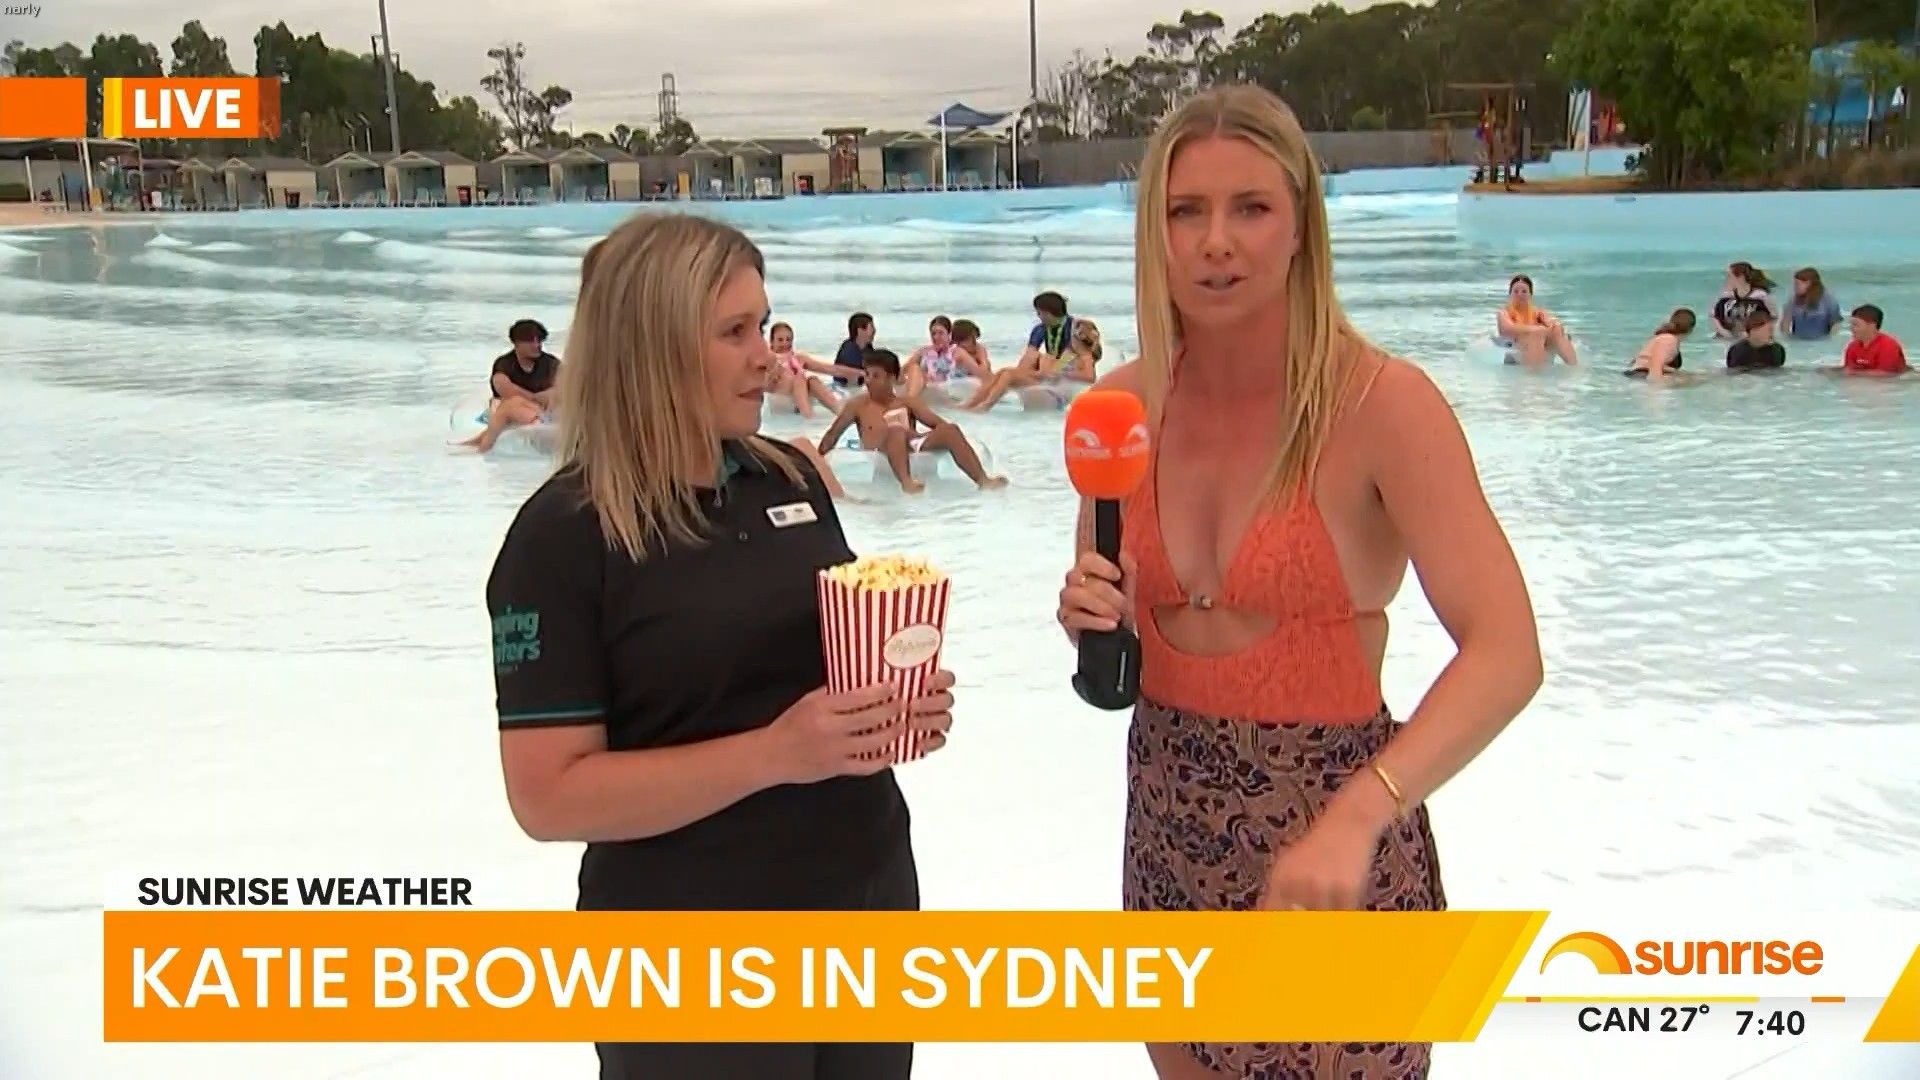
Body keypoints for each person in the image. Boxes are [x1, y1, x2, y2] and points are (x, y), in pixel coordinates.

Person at [1054, 85, 1541, 1080]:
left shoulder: (1382, 407)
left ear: (1300, 227)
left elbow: (1508, 654)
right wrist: (1092, 621)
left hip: (1334, 851)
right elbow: (1127, 639)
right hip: (1169, 834)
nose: (1216, 242)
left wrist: (1359, 816)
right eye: (1187, 211)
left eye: (1251, 208)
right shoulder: (1118, 409)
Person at [484, 214, 953, 1080]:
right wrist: (776, 754)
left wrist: (894, 701)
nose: (767, 357)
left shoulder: (791, 477)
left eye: (762, 324)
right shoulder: (565, 535)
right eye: (733, 332)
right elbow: (546, 798)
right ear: (653, 347)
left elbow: (826, 671)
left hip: (868, 896)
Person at [817, 349, 1007, 495]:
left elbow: (939, 425)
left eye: (876, 376)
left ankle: (983, 480)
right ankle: (906, 482)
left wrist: (917, 435)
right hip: (880, 450)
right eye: (867, 375)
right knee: (895, 430)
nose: (869, 381)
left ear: (892, 379)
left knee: (950, 429)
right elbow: (833, 435)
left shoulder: (907, 402)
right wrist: (816, 463)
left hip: (909, 445)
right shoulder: (858, 405)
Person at [957, 317, 1101, 412]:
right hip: (1049, 380)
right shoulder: (1068, 354)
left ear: (1077, 339)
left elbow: (1090, 377)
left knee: (1008, 375)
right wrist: (1047, 365)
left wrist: (1064, 374)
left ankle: (985, 406)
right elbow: (1054, 370)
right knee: (1004, 371)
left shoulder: (1085, 357)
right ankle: (972, 403)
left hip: (1055, 387)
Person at [459, 319, 560, 452]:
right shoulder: (504, 364)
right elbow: (506, 391)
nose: (537, 345)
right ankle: (480, 444)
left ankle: (480, 444)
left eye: (539, 340)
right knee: (512, 403)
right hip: (513, 408)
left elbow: (563, 389)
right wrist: (539, 397)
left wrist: (546, 396)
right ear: (516, 343)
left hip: (540, 410)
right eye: (530, 341)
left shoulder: (551, 363)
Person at [766, 321, 855, 418]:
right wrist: (774, 373)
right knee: (799, 378)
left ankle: (843, 415)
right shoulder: (767, 360)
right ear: (772, 341)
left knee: (813, 380)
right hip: (783, 404)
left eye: (788, 339)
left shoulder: (798, 358)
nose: (785, 343)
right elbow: (763, 386)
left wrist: (859, 373)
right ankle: (808, 418)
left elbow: (830, 369)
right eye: (780, 340)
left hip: (801, 402)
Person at [903, 315, 992, 404]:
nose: (936, 337)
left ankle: (910, 402)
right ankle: (910, 401)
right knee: (914, 368)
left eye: (941, 333)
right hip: (926, 386)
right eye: (933, 333)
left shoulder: (958, 352)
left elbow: (982, 375)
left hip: (945, 390)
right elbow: (903, 371)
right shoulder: (923, 351)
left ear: (949, 334)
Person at [1494, 274, 1577, 365]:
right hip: (1517, 350)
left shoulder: (1538, 312)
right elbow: (1507, 329)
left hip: (1540, 348)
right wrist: (1534, 330)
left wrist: (1553, 327)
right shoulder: (1504, 313)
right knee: (1537, 333)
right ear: (1510, 294)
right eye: (1516, 291)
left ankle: (1574, 367)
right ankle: (1535, 373)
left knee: (1556, 328)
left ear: (1530, 294)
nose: (1520, 294)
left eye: (1524, 291)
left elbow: (1551, 323)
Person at [1709, 262, 1775, 340]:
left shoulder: (1760, 296)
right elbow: (1714, 316)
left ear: (1741, 277)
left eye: (1729, 276)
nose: (1727, 279)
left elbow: (1773, 317)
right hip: (1725, 339)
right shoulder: (1725, 297)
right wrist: (1725, 333)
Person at [1625, 308, 1695, 382]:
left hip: (1640, 375)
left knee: (1695, 377)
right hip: (1642, 376)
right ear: (1691, 329)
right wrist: (1658, 387)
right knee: (1695, 380)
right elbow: (1655, 367)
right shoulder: (1668, 340)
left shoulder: (1666, 338)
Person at [1840, 304, 1908, 375]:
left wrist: (1855, 373)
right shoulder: (1853, 346)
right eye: (1851, 324)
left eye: (1856, 324)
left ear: (1872, 326)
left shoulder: (1888, 345)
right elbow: (1848, 371)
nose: (1851, 328)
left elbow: (1886, 375)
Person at [1781, 267, 1842, 340]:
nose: (1794, 287)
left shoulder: (1829, 300)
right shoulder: (1793, 300)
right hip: (1798, 342)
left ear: (1809, 283)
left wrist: (1830, 342)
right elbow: (1785, 323)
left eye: (1797, 284)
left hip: (1822, 342)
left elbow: (1835, 324)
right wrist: (1787, 341)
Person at [832, 312, 876, 387]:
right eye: (871, 327)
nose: (874, 330)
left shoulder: (867, 347)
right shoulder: (849, 350)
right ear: (860, 330)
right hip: (844, 387)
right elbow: (852, 381)